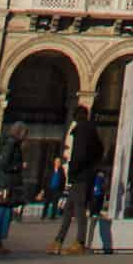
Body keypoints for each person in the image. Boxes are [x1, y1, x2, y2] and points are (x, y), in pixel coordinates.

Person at [52, 105, 105, 255]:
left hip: (81, 175)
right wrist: (93, 167)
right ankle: (58, 240)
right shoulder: (92, 130)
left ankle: (80, 242)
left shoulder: (82, 130)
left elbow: (79, 154)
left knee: (79, 208)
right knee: (69, 208)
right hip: (86, 174)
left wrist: (74, 169)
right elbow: (100, 150)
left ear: (76, 117)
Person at [0, 124, 28, 254]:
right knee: (1, 212)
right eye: (25, 134)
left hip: (8, 183)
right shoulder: (11, 144)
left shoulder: (13, 144)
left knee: (6, 213)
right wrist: (18, 166)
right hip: (5, 184)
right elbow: (3, 163)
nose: (26, 137)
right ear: (19, 133)